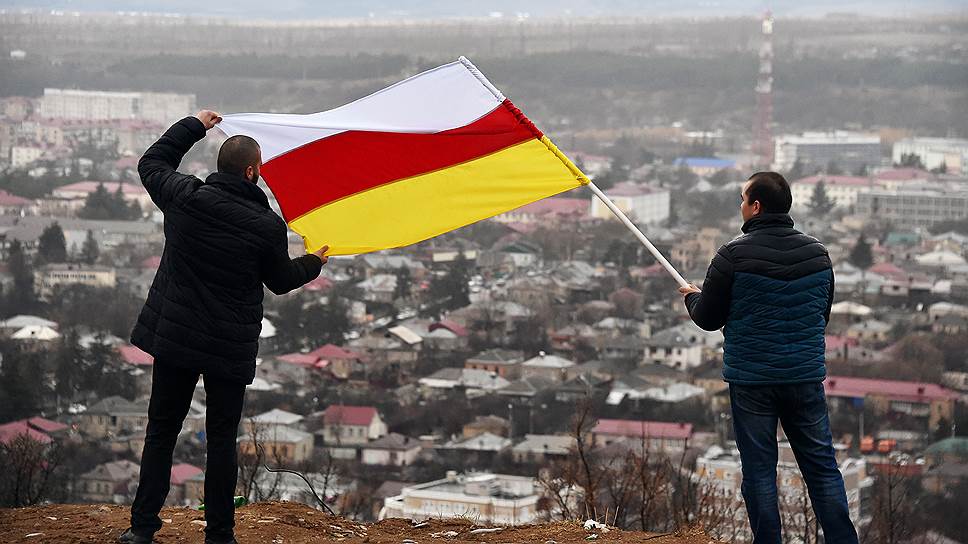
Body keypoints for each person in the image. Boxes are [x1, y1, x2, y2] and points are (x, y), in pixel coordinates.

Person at [119, 111, 329, 544]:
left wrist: (195, 125)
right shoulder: (266, 226)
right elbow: (281, 280)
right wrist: (314, 262)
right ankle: (219, 535)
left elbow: (152, 163)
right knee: (220, 441)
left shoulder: (184, 197)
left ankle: (142, 529)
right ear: (253, 172)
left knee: (161, 432)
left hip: (175, 336)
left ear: (220, 167)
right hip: (227, 347)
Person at [678, 172, 857, 543]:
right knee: (823, 470)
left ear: (755, 206)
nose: (741, 205)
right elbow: (820, 316)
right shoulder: (818, 254)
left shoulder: (732, 255)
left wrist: (692, 296)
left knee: (760, 473)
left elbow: (708, 318)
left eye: (743, 199)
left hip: (753, 382)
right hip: (804, 379)